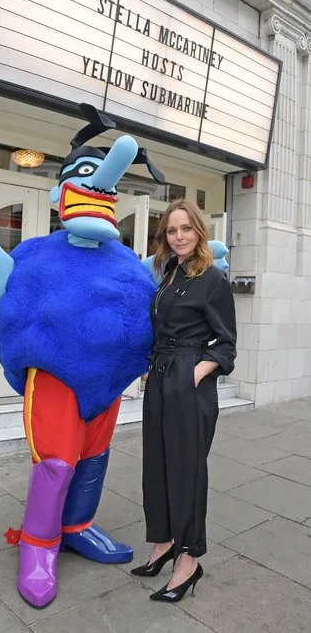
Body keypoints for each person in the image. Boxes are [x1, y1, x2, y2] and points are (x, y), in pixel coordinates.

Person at [131, 199, 237, 603]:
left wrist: (196, 371)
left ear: (199, 231)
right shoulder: (168, 274)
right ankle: (162, 542)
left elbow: (226, 344)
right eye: (172, 231)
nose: (178, 237)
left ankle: (189, 559)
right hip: (159, 377)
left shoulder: (212, 279)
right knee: (156, 464)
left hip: (188, 382)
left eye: (185, 229)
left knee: (186, 470)